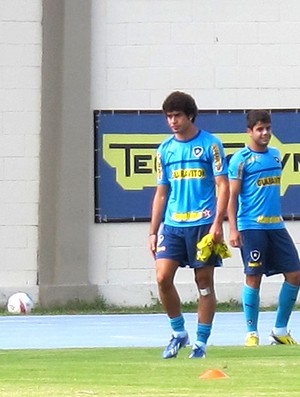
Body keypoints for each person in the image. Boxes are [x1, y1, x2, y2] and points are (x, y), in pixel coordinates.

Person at [148, 91, 229, 358]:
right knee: (162, 278)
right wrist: (152, 230)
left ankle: (201, 342)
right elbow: (161, 192)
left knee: (203, 282)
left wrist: (218, 223)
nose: (173, 121)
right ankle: (178, 333)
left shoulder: (210, 145)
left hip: (203, 225)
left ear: (190, 115)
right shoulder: (164, 150)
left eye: (177, 115)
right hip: (172, 226)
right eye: (169, 116)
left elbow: (222, 185)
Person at [227, 109, 300, 347]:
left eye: (267, 128)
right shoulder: (240, 160)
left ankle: (279, 330)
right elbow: (232, 196)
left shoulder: (277, 155)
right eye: (259, 129)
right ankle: (251, 333)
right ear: (249, 132)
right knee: (253, 277)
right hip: (251, 227)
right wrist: (234, 229)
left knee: (295, 274)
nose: (265, 133)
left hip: (276, 226)